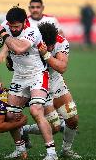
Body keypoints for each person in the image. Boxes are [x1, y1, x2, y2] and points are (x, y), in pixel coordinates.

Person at [0, 7, 58, 160]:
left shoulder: (33, 31)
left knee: (36, 110)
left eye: (17, 26)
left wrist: (3, 34)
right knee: (11, 115)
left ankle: (51, 154)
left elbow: (19, 48)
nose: (14, 29)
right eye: (11, 26)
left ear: (24, 22)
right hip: (19, 76)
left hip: (37, 74)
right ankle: (20, 149)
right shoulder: (7, 28)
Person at [20, 22, 81, 159]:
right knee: (54, 128)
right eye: (49, 44)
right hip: (39, 84)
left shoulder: (61, 41)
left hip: (56, 81)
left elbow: (62, 67)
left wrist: (46, 54)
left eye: (53, 44)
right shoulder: (31, 42)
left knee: (73, 119)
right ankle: (24, 130)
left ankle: (66, 150)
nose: (52, 47)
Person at [0, 0, 64, 64]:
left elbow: (60, 36)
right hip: (32, 56)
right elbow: (11, 37)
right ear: (29, 8)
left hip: (49, 54)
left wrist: (57, 52)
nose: (35, 10)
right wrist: (4, 52)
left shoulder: (51, 20)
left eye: (38, 7)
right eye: (32, 7)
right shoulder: (23, 22)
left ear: (42, 8)